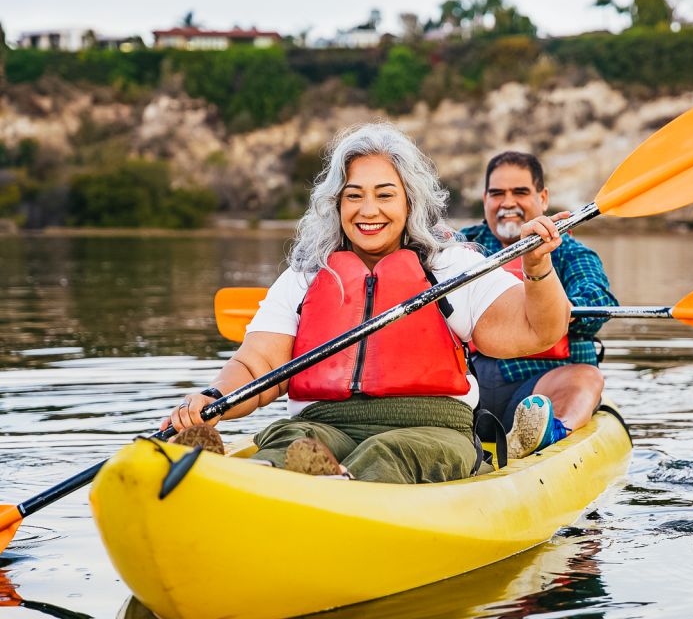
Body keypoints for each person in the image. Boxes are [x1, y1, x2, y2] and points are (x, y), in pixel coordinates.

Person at [162, 123, 572, 483]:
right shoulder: (306, 276)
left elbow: (538, 330)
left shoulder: (452, 267)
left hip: (428, 429)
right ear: (336, 203)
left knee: (387, 454)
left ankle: (335, 489)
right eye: (354, 195)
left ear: (410, 201)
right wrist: (213, 397)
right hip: (323, 424)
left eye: (385, 195)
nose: (368, 210)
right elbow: (258, 366)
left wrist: (536, 265)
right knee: (291, 443)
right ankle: (255, 480)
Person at [460, 151, 618, 458]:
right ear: (484, 199)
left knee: (588, 377)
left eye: (520, 192)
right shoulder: (463, 246)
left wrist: (554, 309)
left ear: (542, 198)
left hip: (541, 385)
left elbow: (598, 299)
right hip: (471, 389)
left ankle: (555, 429)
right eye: (497, 194)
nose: (507, 203)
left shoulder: (571, 253)